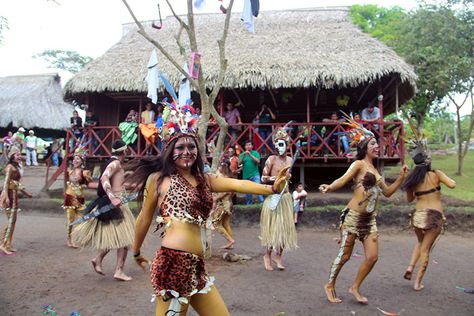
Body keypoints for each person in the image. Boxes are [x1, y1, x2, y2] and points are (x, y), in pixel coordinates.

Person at [125, 103, 289, 316]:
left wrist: (272, 187)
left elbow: (236, 184)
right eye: (180, 148)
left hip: (197, 267)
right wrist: (136, 251)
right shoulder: (158, 180)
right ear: (169, 151)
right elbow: (144, 219)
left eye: (191, 147)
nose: (187, 152)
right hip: (173, 265)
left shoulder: (205, 179)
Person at [319, 118, 408, 304]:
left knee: (373, 257)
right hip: (353, 217)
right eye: (373, 143)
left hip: (370, 221)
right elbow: (343, 180)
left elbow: (388, 193)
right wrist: (330, 187)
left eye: (377, 143)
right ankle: (329, 285)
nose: (377, 146)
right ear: (364, 147)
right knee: (345, 255)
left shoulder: (375, 171)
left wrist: (400, 177)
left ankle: (354, 287)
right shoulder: (359, 164)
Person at [72, 139, 135, 281]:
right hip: (116, 204)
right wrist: (113, 197)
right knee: (124, 238)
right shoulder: (116, 163)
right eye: (126, 151)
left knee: (117, 236)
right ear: (124, 151)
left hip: (117, 202)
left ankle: (98, 259)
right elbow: (104, 178)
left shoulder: (110, 162)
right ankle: (118, 270)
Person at [401, 130, 456, 291]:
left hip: (417, 217)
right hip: (433, 217)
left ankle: (410, 267)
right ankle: (417, 283)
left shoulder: (412, 179)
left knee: (421, 242)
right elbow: (452, 184)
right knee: (426, 249)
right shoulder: (436, 174)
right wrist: (443, 177)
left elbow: (410, 200)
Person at [260, 126, 297, 270]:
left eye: (283, 144)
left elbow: (288, 178)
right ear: (275, 145)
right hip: (273, 197)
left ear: (287, 146)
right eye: (278, 144)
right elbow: (263, 178)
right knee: (272, 230)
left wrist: (288, 177)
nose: (280, 147)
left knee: (284, 230)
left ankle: (278, 257)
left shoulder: (289, 160)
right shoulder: (271, 159)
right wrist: (278, 177)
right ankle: (267, 256)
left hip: (285, 198)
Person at [0, 146, 32, 255]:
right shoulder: (10, 167)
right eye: (17, 155)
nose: (19, 156)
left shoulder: (16, 167)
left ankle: (8, 244)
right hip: (9, 196)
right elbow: (6, 183)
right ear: (12, 156)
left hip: (14, 196)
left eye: (19, 154)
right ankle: (3, 244)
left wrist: (26, 193)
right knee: (10, 221)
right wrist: (6, 197)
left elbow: (16, 184)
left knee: (13, 221)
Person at [62, 147, 93, 248]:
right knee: (70, 220)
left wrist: (87, 179)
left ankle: (82, 237)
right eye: (74, 158)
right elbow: (69, 183)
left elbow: (90, 183)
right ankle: (70, 240)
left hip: (80, 197)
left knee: (83, 218)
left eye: (78, 159)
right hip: (70, 197)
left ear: (82, 161)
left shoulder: (84, 172)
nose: (75, 160)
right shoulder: (70, 171)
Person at [210, 155, 235, 249]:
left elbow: (225, 191)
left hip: (224, 205)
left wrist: (216, 198)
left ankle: (230, 240)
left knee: (215, 224)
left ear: (223, 167)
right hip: (229, 203)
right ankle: (231, 243)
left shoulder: (224, 178)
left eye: (219, 166)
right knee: (225, 224)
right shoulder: (228, 176)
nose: (218, 168)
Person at [238, 140, 264, 204]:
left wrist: (250, 154)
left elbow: (258, 161)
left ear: (252, 146)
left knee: (258, 188)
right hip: (246, 175)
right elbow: (239, 163)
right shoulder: (242, 154)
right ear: (245, 147)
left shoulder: (255, 153)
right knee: (248, 190)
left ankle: (262, 202)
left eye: (249, 145)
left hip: (255, 174)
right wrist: (244, 156)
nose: (248, 146)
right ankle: (249, 203)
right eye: (247, 145)